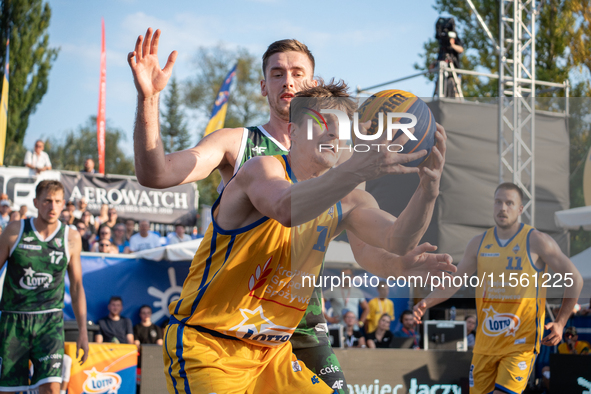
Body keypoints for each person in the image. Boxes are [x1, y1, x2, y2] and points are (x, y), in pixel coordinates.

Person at [129, 29, 452, 393]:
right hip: (220, 328)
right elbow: (158, 174)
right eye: (277, 73)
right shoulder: (247, 151)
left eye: (298, 73)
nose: (288, 81)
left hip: (290, 323)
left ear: (312, 83)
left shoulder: (345, 169)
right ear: (264, 87)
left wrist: (428, 191)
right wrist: (150, 100)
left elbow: (384, 244)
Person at [413, 182, 584, 394]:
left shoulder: (537, 241)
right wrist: (426, 302)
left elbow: (575, 279)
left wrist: (560, 322)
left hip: (520, 342)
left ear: (521, 209)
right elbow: (453, 283)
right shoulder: (478, 243)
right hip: (485, 345)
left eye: (509, 203)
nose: (503, 208)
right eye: (498, 202)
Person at [0, 180, 89, 392]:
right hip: (14, 320)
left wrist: (83, 332)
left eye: (58, 201)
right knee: (8, 391)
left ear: (64, 204)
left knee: (51, 388)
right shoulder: (15, 230)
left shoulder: (71, 237)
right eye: (47, 201)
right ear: (36, 203)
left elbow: (76, 288)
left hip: (50, 322)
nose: (52, 206)